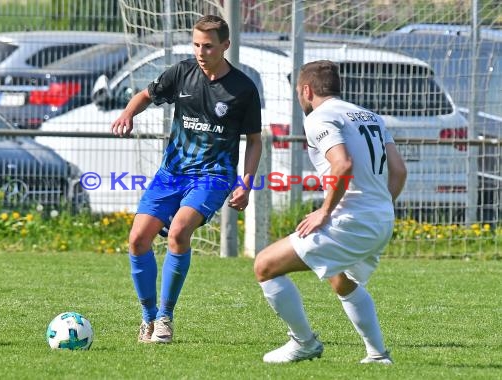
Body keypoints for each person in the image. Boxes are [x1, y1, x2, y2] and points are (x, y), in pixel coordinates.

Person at [110, 15, 262, 344]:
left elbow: (254, 140)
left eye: (207, 46)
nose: (200, 51)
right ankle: (148, 318)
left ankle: (165, 316)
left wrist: (246, 183)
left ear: (225, 45)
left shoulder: (243, 89)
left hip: (213, 176)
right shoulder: (181, 73)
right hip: (172, 173)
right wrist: (127, 113)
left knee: (179, 231)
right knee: (137, 240)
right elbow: (145, 96)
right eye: (195, 44)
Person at [254, 60, 407, 364]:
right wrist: (377, 205)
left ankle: (304, 343)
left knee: (265, 265)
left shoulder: (318, 118)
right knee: (341, 279)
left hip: (351, 220)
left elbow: (343, 165)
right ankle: (377, 355)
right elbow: (399, 171)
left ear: (306, 90)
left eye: (299, 93)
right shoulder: (371, 117)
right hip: (381, 218)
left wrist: (324, 211)